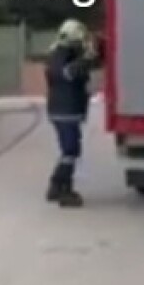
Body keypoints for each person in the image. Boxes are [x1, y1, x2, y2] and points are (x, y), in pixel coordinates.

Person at [44, 18, 103, 207]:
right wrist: (87, 59)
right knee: (70, 150)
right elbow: (67, 74)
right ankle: (62, 190)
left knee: (70, 150)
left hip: (66, 109)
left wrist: (92, 57)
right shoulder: (59, 55)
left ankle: (57, 186)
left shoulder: (62, 53)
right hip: (64, 110)